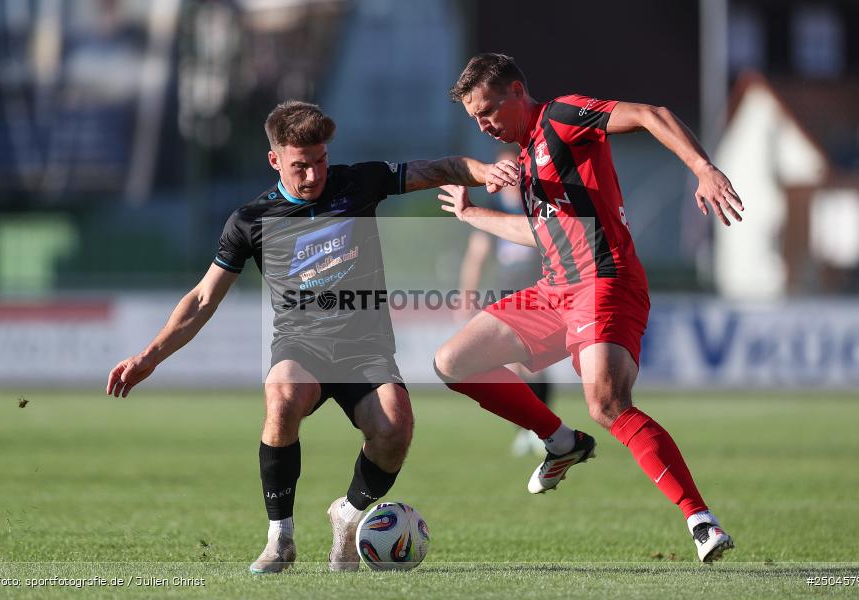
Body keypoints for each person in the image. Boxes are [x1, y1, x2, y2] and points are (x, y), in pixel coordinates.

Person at [105, 100, 514, 573]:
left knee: (394, 430)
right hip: (303, 347)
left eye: (320, 161)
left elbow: (439, 166)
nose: (314, 174)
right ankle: (280, 537)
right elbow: (202, 300)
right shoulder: (250, 221)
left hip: (365, 348)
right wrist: (150, 357)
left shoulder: (358, 182)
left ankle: (348, 514)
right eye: (301, 165)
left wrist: (483, 171)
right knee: (281, 396)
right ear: (275, 160)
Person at [435, 53, 743, 562]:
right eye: (475, 119)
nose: (484, 124)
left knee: (606, 403)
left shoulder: (561, 115)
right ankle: (560, 441)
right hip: (555, 290)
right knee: (451, 362)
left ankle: (701, 522)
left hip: (603, 279)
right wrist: (471, 215)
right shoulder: (528, 160)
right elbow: (538, 235)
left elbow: (651, 114)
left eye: (488, 110)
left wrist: (702, 168)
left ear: (516, 92)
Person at [457, 146, 553, 457]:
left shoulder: (537, 203)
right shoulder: (491, 206)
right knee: (513, 365)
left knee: (536, 364)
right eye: (501, 168)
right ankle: (527, 431)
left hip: (540, 290)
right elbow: (477, 256)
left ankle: (546, 431)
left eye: (513, 168)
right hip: (508, 293)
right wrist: (466, 294)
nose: (507, 174)